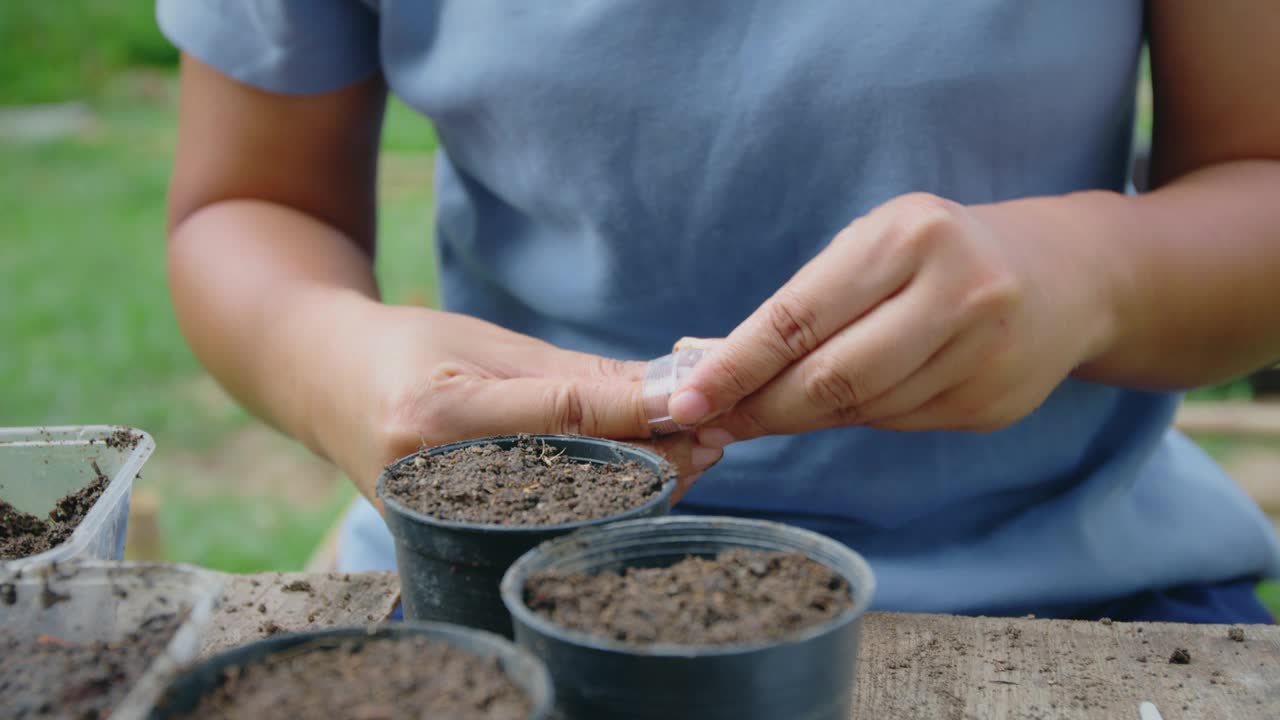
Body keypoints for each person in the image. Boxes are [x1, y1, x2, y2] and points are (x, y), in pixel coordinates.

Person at [156, 1, 1280, 623]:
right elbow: (246, 202)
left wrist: (1092, 273)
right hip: (497, 588)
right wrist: (337, 358)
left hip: (1070, 589)